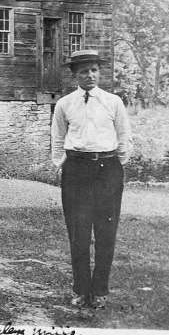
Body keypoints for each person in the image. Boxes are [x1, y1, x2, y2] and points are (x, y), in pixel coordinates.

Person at [51, 49, 132, 309]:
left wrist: (115, 164)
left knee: (106, 232)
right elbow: (57, 138)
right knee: (79, 233)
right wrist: (61, 164)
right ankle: (80, 289)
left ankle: (99, 291)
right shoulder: (65, 104)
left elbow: (124, 137)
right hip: (77, 170)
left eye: (94, 70)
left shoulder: (113, 102)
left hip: (107, 169)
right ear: (75, 75)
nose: (90, 75)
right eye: (84, 71)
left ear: (100, 72)